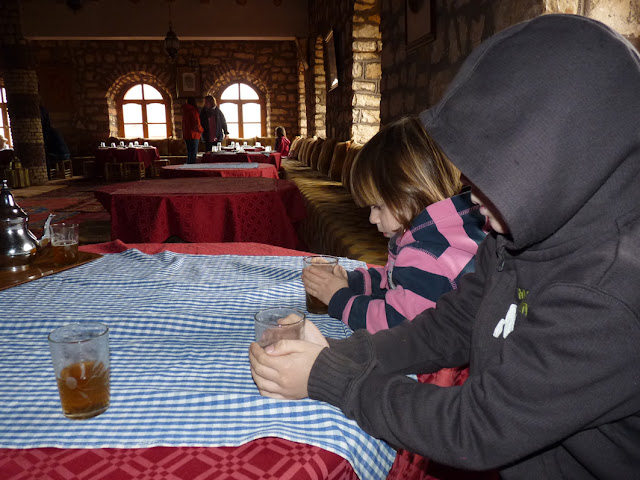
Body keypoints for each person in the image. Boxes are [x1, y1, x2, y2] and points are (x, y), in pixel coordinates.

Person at [249, 14, 640, 479]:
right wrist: (344, 355)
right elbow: (450, 324)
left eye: (491, 170)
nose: (470, 198)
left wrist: (331, 378)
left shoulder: (608, 294)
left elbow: (477, 428)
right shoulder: (516, 233)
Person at [302, 117, 487, 338]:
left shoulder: (429, 255)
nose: (372, 218)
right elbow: (397, 281)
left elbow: (394, 324)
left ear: (413, 191)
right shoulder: (430, 233)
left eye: (378, 206)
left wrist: (338, 298)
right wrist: (351, 281)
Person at [181, 97, 203, 164]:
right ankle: (192, 169)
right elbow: (196, 124)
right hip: (194, 135)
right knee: (193, 154)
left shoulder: (185, 111)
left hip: (186, 134)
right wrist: (202, 130)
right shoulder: (193, 111)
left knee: (189, 153)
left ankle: (187, 168)